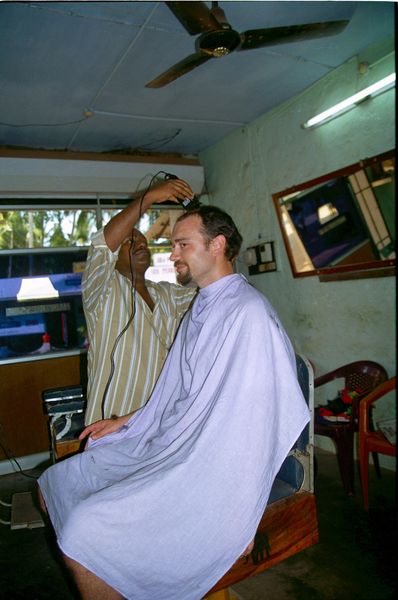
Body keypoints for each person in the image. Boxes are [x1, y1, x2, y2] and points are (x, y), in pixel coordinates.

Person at [38, 206, 310, 600]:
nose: (173, 255)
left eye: (182, 244)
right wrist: (126, 421)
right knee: (54, 482)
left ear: (217, 245)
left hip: (207, 459)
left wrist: (240, 507)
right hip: (171, 438)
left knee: (84, 530)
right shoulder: (200, 305)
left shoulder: (249, 314)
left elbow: (257, 422)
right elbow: (177, 392)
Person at [82, 177, 197, 424]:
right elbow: (102, 244)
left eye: (144, 243)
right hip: (112, 423)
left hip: (163, 420)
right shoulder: (102, 290)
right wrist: (150, 197)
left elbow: (215, 290)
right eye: (129, 242)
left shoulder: (168, 294)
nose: (140, 245)